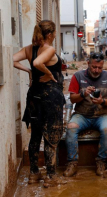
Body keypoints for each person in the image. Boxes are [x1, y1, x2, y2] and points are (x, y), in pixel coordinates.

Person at [13, 20, 66, 188]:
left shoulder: (29, 49)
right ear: (50, 35)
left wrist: (28, 71)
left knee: (35, 135)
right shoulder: (49, 49)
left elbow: (12, 59)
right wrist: (50, 74)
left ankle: (34, 174)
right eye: (55, 33)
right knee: (51, 136)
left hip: (34, 96)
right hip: (50, 98)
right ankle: (50, 177)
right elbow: (37, 63)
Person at [63, 52, 107, 177]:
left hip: (102, 115)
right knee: (71, 128)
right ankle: (72, 162)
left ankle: (101, 161)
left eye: (100, 68)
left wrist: (102, 101)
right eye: (94, 67)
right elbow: (72, 99)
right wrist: (83, 94)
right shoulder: (78, 76)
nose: (97, 70)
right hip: (82, 115)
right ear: (88, 64)